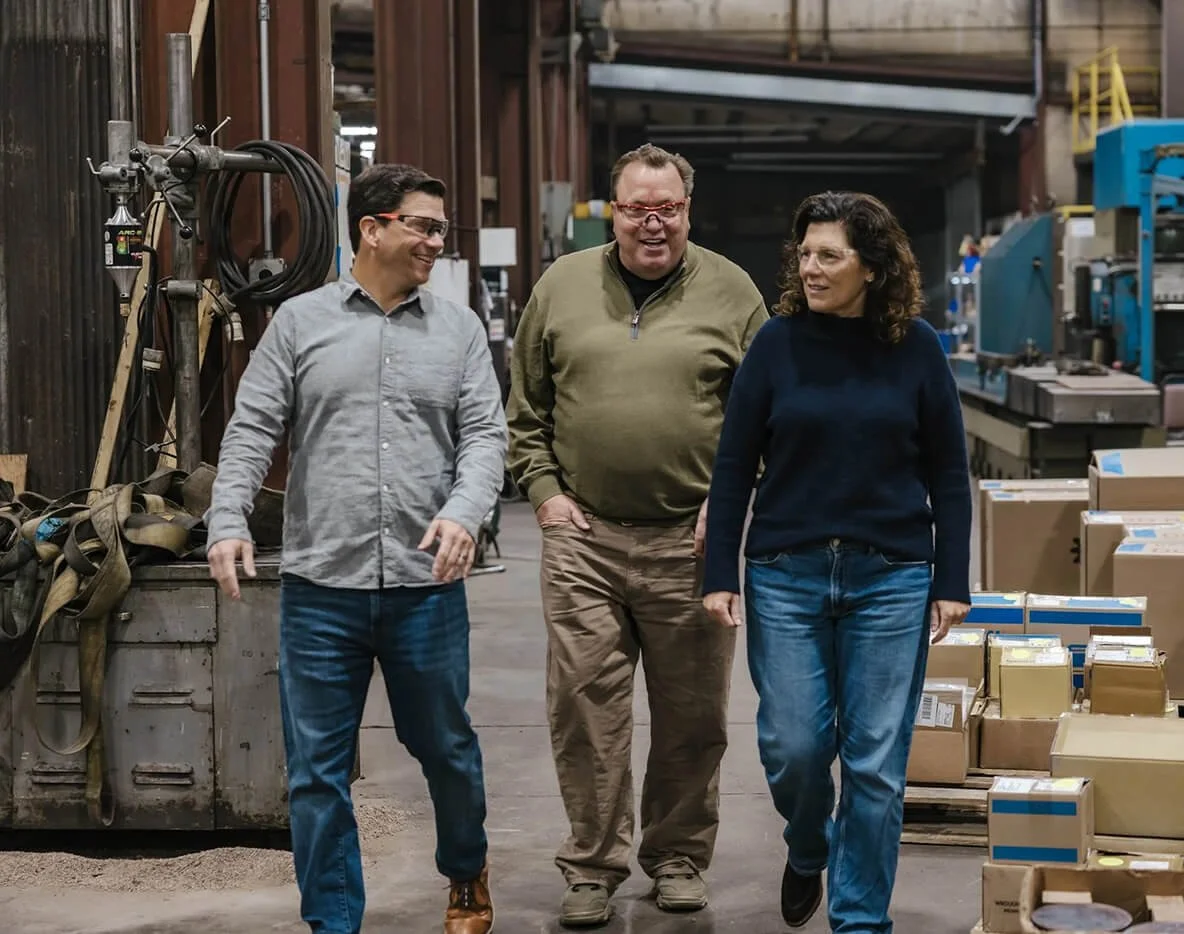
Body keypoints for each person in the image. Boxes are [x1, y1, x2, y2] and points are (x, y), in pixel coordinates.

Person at [205, 162, 507, 934]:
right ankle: (333, 921)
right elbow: (251, 431)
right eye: (423, 225)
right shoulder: (300, 324)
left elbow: (484, 438)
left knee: (444, 747)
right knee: (315, 774)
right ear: (371, 228)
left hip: (425, 586)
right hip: (320, 589)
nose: (436, 242)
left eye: (443, 229)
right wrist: (229, 519)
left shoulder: (460, 329)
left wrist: (467, 512)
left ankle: (465, 869)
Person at [506, 143, 768, 927]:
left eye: (668, 208)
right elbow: (526, 408)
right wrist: (545, 494)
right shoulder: (561, 286)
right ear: (611, 210)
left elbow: (765, 418)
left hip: (692, 543)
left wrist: (729, 505)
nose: (652, 223)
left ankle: (679, 856)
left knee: (694, 715)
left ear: (689, 209)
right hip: (584, 540)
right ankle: (592, 864)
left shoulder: (732, 291)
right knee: (585, 709)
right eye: (635, 208)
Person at [700, 191, 974, 933]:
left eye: (830, 255)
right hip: (785, 573)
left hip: (890, 576)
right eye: (806, 254)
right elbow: (733, 465)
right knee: (794, 747)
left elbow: (950, 471)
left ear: (873, 267)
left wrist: (953, 579)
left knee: (876, 767)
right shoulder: (777, 344)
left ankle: (859, 920)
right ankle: (807, 842)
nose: (810, 268)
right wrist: (719, 570)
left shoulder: (916, 347)